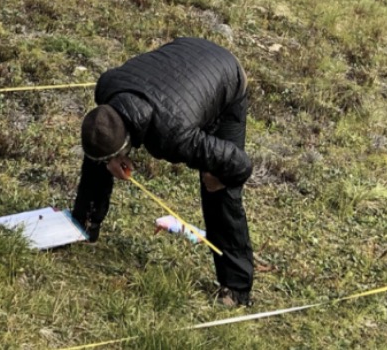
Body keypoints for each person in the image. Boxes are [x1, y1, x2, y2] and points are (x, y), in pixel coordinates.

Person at [73, 37, 255, 307]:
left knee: (217, 184)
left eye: (118, 153)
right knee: (99, 142)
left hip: (225, 78)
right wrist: (109, 158)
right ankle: (84, 225)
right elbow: (107, 134)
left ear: (127, 144)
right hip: (185, 57)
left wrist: (223, 176)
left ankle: (236, 287)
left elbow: (241, 163)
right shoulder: (107, 89)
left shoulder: (175, 136)